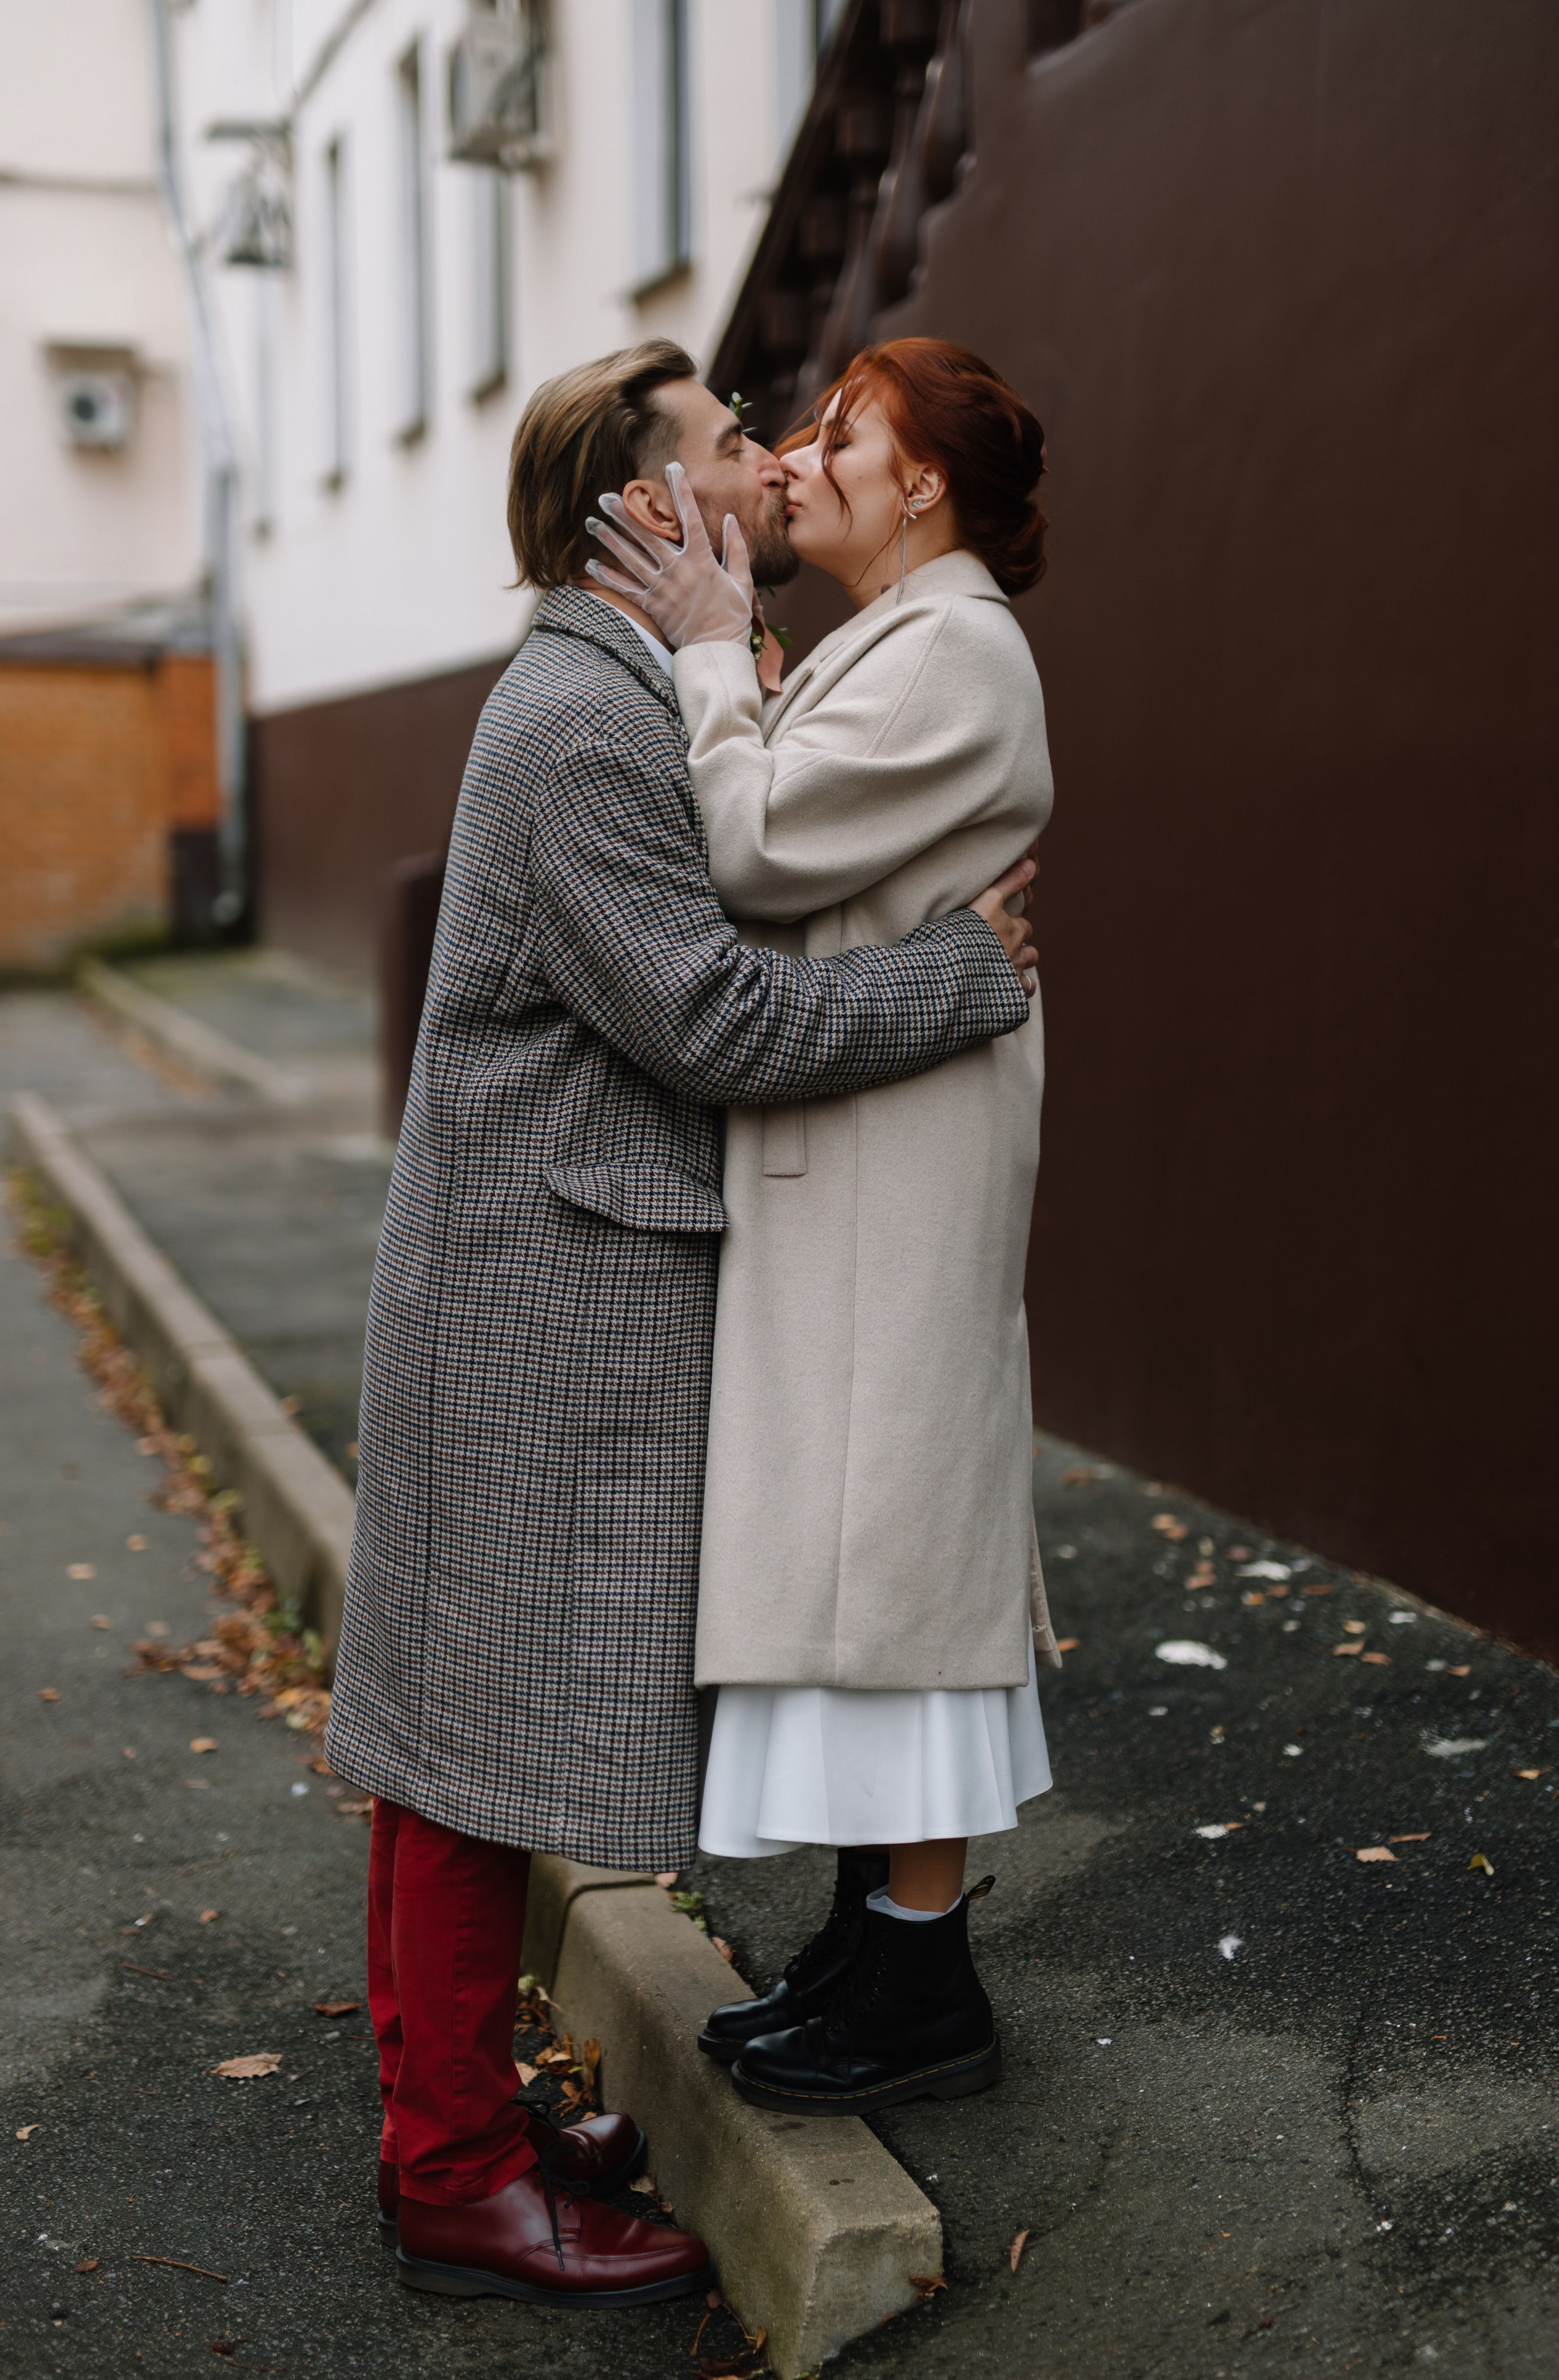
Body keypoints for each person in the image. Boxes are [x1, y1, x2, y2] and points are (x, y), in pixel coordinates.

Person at [322, 338, 1044, 2305]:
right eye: (734, 444)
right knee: (465, 1764)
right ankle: (457, 2173)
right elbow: (717, 1021)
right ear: (653, 508)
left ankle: (454, 2124)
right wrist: (962, 985)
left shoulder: (627, 693)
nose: (768, 457)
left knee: (450, 1747)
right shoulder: (582, 726)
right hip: (531, 1301)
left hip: (540, 1282)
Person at [585, 337, 1059, 2118]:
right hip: (861, 1133)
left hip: (895, 1158)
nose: (794, 459)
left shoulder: (958, 647)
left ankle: (921, 1979)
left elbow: (762, 851)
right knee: (864, 1554)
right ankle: (883, 1941)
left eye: (836, 435)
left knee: (895, 1559)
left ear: (921, 478)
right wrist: (753, 673)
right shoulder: (904, 641)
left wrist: (715, 662)